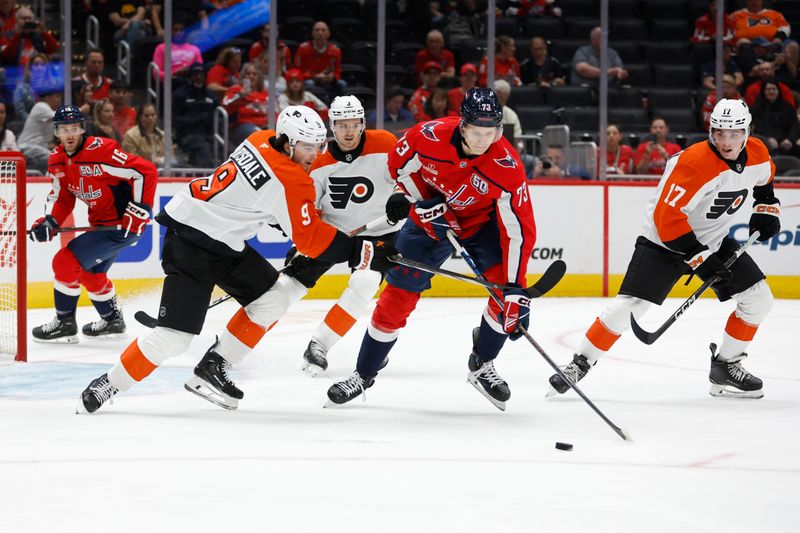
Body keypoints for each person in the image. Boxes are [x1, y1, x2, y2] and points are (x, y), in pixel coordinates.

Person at [76, 106, 397, 414]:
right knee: (174, 338)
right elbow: (312, 240)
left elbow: (258, 197)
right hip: (191, 242)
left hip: (223, 240)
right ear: (287, 142)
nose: (314, 155)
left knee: (273, 299)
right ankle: (109, 384)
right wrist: (354, 249)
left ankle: (214, 366)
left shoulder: (259, 138)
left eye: (318, 146)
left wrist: (284, 216)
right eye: (307, 148)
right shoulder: (291, 179)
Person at [547, 99, 780, 400]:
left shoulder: (758, 152)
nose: (725, 141)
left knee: (759, 299)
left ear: (747, 132)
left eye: (734, 134)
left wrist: (766, 208)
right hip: (663, 243)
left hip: (714, 240)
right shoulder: (693, 163)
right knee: (629, 307)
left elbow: (765, 181)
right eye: (719, 132)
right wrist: (701, 259)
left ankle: (726, 365)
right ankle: (579, 363)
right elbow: (667, 221)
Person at [325, 88, 536, 411]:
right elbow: (398, 166)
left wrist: (515, 287)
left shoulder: (507, 165)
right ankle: (363, 373)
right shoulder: (428, 136)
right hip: (427, 224)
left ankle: (482, 363)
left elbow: (519, 229)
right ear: (462, 126)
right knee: (397, 296)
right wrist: (420, 198)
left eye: (490, 132)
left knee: (502, 295)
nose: (482, 140)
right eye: (476, 132)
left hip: (481, 226)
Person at [264, 96, 401, 376]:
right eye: (341, 125)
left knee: (364, 282)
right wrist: (297, 234)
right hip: (329, 233)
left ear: (363, 124)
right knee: (288, 284)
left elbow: (408, 176)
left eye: (354, 124)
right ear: (331, 126)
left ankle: (320, 345)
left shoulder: (386, 144)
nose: (349, 131)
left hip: (377, 234)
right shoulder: (318, 159)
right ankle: (236, 343)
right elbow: (307, 203)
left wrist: (401, 196)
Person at [28, 105, 158, 344]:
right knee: (90, 273)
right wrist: (50, 220)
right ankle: (112, 321)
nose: (69, 135)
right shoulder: (57, 161)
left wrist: (140, 210)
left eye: (74, 128)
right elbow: (62, 197)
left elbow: (145, 171)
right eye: (63, 129)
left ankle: (64, 322)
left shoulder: (102, 151)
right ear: (56, 132)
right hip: (101, 226)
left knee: (64, 261)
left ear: (82, 129)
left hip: (121, 227)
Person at [172, 63, 218, 168]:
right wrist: (196, 119)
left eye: (201, 74)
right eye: (195, 74)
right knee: (203, 147)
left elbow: (216, 118)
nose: (198, 77)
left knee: (227, 148)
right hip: (186, 135)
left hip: (209, 134)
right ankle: (206, 179)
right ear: (190, 76)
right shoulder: (180, 95)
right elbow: (174, 119)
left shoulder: (211, 96)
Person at [294, 21, 346, 99]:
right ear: (312, 33)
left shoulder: (335, 50)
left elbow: (337, 71)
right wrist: (314, 76)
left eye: (323, 30)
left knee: (342, 84)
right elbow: (297, 71)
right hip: (310, 79)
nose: (320, 33)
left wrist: (332, 77)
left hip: (327, 80)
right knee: (309, 83)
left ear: (328, 34)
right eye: (317, 30)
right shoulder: (303, 48)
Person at [222, 62, 270, 147]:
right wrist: (240, 96)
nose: (251, 76)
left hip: (265, 126)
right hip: (242, 126)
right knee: (258, 136)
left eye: (254, 74)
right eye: (248, 74)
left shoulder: (266, 94)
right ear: (243, 76)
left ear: (259, 77)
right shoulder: (236, 90)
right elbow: (225, 104)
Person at [17, 88, 61, 174]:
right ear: (48, 97)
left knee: (58, 156)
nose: (60, 100)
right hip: (27, 147)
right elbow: (61, 116)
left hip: (38, 148)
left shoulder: (49, 113)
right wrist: (80, 110)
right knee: (56, 158)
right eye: (57, 97)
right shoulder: (40, 106)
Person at [750, 80, 800, 154]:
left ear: (778, 91)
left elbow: (795, 124)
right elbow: (756, 127)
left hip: (786, 142)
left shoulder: (787, 106)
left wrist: (790, 139)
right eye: (768, 89)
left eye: (774, 89)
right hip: (766, 142)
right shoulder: (757, 108)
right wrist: (767, 139)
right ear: (763, 92)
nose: (771, 92)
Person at [122, 101, 174, 166]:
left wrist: (161, 160)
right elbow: (132, 160)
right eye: (146, 116)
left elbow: (171, 157)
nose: (150, 118)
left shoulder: (163, 135)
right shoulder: (130, 136)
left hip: (162, 172)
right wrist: (152, 163)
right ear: (140, 118)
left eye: (153, 115)